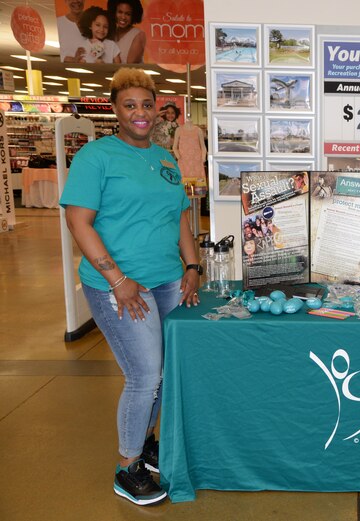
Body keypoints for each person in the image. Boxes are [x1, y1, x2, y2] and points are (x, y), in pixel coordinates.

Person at [59, 68, 200, 506]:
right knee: (144, 376)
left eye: (146, 104)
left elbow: (180, 217)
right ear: (116, 110)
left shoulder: (164, 158)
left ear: (158, 107)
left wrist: (192, 265)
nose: (140, 113)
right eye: (129, 105)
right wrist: (116, 279)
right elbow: (77, 222)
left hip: (166, 280)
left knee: (163, 373)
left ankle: (148, 439)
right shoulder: (96, 157)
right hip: (118, 286)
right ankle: (128, 466)